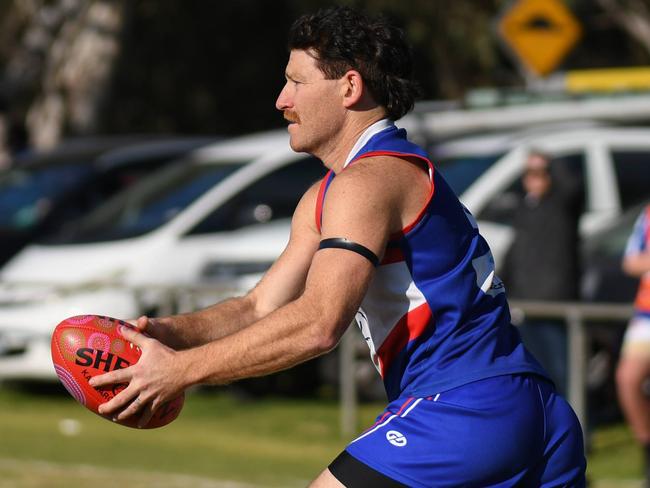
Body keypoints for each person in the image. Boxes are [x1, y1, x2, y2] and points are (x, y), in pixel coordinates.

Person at [90, 7, 586, 487]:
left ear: (349, 87)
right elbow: (259, 306)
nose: (282, 100)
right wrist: (168, 335)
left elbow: (319, 324)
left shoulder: (369, 181)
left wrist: (180, 373)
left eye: (297, 82)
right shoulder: (339, 190)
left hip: (462, 408)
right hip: (528, 409)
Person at [502, 150, 583, 397]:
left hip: (555, 300)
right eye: (528, 173)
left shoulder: (561, 204)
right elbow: (515, 254)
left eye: (540, 173)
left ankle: (578, 426)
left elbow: (573, 186)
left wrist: (551, 162)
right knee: (538, 371)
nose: (533, 179)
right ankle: (549, 426)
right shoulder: (525, 207)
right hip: (526, 301)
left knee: (565, 371)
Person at [617, 204, 650, 485]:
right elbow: (630, 261)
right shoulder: (648, 215)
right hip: (646, 316)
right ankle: (647, 449)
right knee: (627, 379)